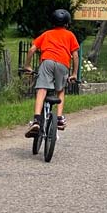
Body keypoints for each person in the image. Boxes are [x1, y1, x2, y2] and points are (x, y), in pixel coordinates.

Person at [24, 8, 80, 137]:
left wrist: (27, 65)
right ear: (67, 23)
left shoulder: (47, 34)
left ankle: (37, 120)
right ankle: (59, 119)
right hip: (63, 64)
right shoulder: (70, 35)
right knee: (60, 90)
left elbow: (32, 49)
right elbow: (75, 56)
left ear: (53, 22)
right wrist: (74, 73)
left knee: (42, 89)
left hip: (47, 62)